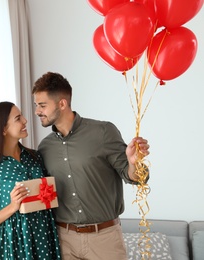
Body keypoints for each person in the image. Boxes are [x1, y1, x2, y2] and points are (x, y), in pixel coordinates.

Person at [31, 72, 150, 260]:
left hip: (104, 239)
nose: (37, 111)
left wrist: (134, 163)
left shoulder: (103, 132)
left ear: (62, 104)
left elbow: (134, 177)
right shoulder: (44, 147)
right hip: (64, 239)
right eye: (36, 105)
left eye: (42, 105)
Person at [0, 101, 61, 260]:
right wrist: (13, 206)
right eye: (18, 118)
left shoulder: (35, 157)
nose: (25, 121)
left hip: (44, 237)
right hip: (14, 245)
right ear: (3, 129)